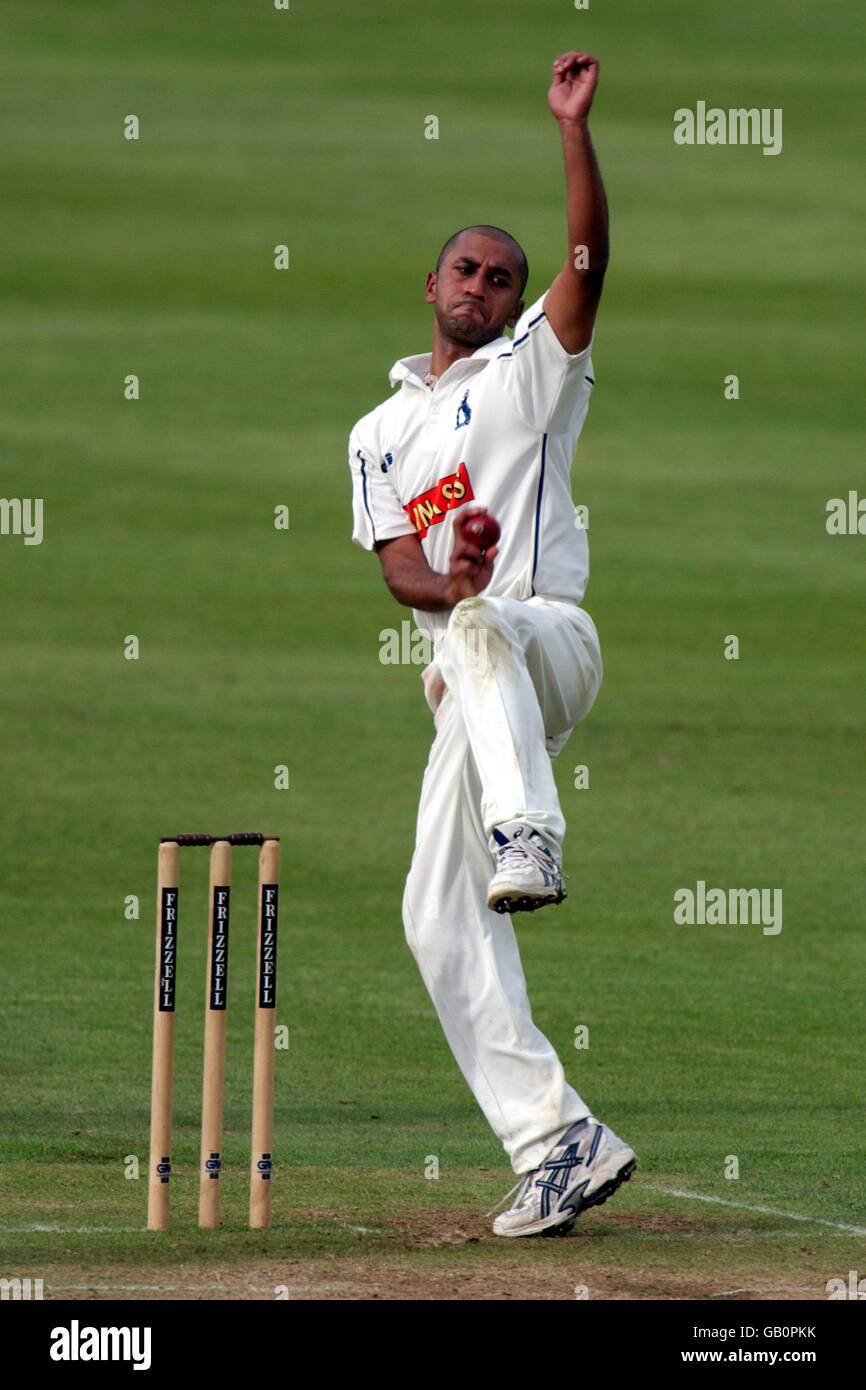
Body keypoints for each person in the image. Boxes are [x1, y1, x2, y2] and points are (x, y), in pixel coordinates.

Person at [348, 52, 637, 1236]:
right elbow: (395, 572)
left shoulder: (531, 372)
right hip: (469, 682)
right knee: (431, 911)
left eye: (502, 275)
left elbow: (589, 264)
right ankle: (555, 1139)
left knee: (475, 626)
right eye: (466, 267)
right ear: (430, 282)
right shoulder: (379, 431)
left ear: (518, 299)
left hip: (548, 642)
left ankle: (532, 831)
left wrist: (570, 131)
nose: (482, 283)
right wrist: (447, 576)